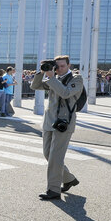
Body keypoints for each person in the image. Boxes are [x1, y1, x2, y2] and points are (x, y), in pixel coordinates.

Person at [30, 55, 82, 200]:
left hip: (63, 124)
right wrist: (42, 72)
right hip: (49, 122)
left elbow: (65, 93)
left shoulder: (76, 79)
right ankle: (69, 178)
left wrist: (52, 77)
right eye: (56, 66)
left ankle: (53, 190)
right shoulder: (52, 78)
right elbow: (35, 86)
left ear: (69, 65)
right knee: (48, 154)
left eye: (62, 66)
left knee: (55, 158)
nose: (59, 69)